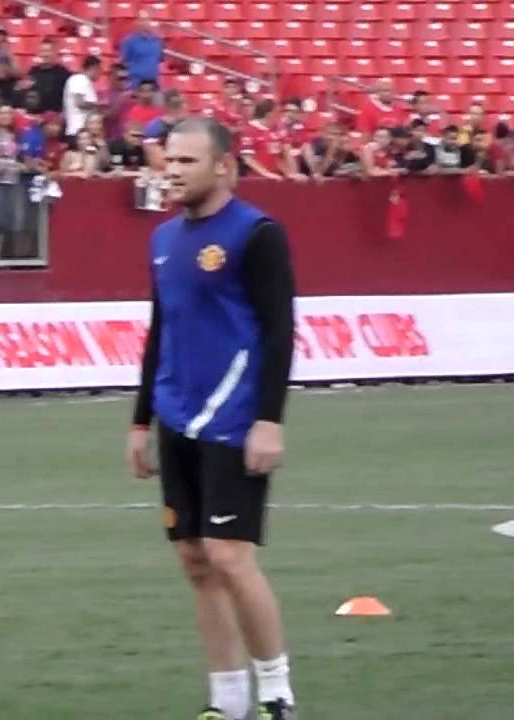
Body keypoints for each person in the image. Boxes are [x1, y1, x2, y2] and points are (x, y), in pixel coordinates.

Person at [125, 117, 297, 720]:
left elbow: (279, 332)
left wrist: (269, 419)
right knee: (195, 560)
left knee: (230, 556)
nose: (171, 171)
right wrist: (141, 420)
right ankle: (227, 703)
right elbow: (160, 329)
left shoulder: (257, 235)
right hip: (176, 417)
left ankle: (276, 695)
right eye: (168, 160)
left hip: (234, 417)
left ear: (223, 166)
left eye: (186, 162)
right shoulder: (163, 239)